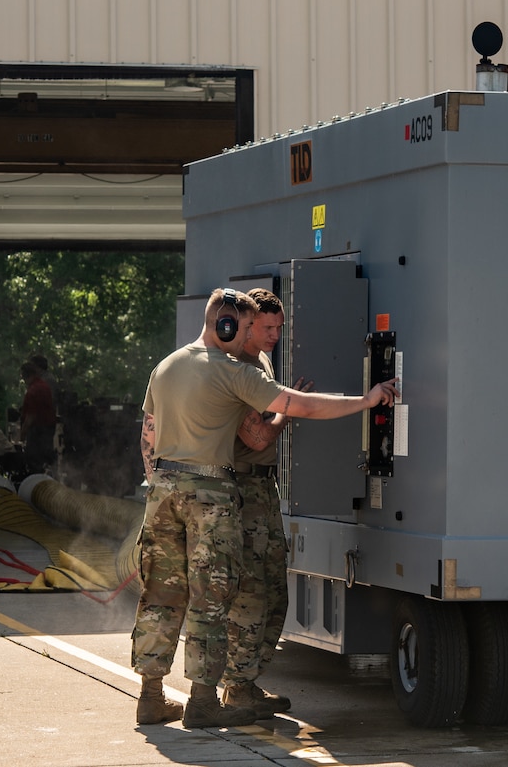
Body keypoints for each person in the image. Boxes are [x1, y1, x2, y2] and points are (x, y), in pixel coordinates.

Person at [132, 287, 398, 729]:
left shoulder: (166, 366)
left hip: (162, 489)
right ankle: (202, 701)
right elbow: (302, 406)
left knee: (160, 595)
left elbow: (148, 435)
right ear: (228, 326)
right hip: (210, 493)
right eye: (243, 329)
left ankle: (150, 696)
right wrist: (367, 401)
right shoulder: (231, 371)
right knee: (211, 599)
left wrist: (160, 483)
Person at [220, 288, 308, 718]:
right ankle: (235, 686)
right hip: (243, 490)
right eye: (268, 327)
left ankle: (246, 682)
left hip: (262, 490)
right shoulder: (238, 368)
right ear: (248, 324)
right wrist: (288, 410)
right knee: (252, 593)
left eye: (279, 327)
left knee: (275, 592)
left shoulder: (262, 362)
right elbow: (255, 437)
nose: (275, 334)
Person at [19, 361, 56, 473]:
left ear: (26, 376)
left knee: (34, 461)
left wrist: (22, 434)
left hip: (37, 431)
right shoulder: (45, 386)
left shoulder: (33, 391)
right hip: (49, 429)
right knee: (47, 461)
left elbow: (30, 417)